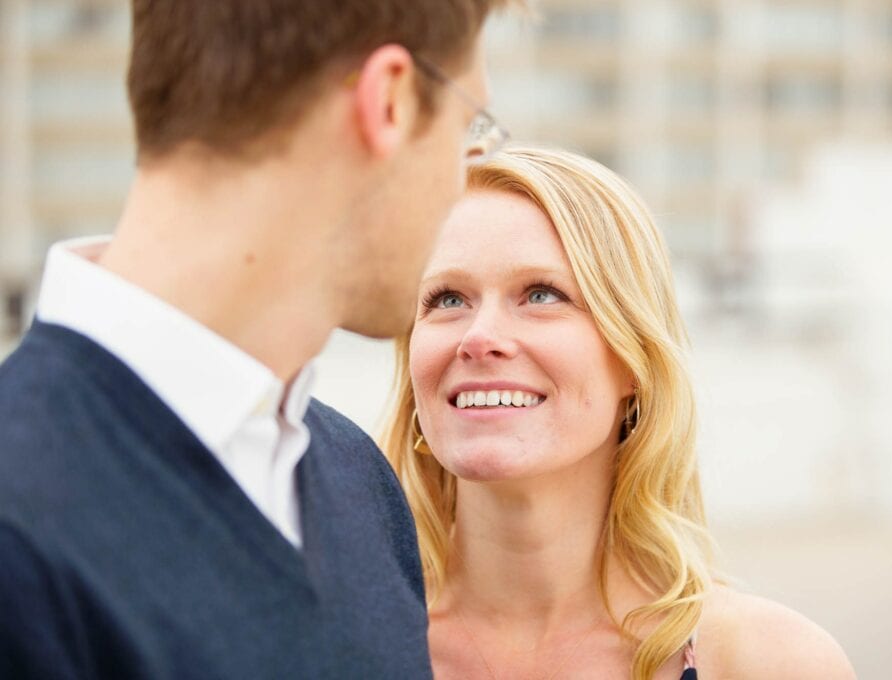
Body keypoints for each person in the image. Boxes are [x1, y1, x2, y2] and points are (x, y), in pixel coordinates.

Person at [0, 1, 517, 678]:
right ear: (387, 99)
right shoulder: (19, 527)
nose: (460, 182)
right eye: (464, 130)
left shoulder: (356, 482)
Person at [382, 147, 857, 680]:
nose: (480, 337)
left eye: (541, 294)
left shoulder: (770, 663)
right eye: (447, 299)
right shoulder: (344, 645)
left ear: (634, 361)